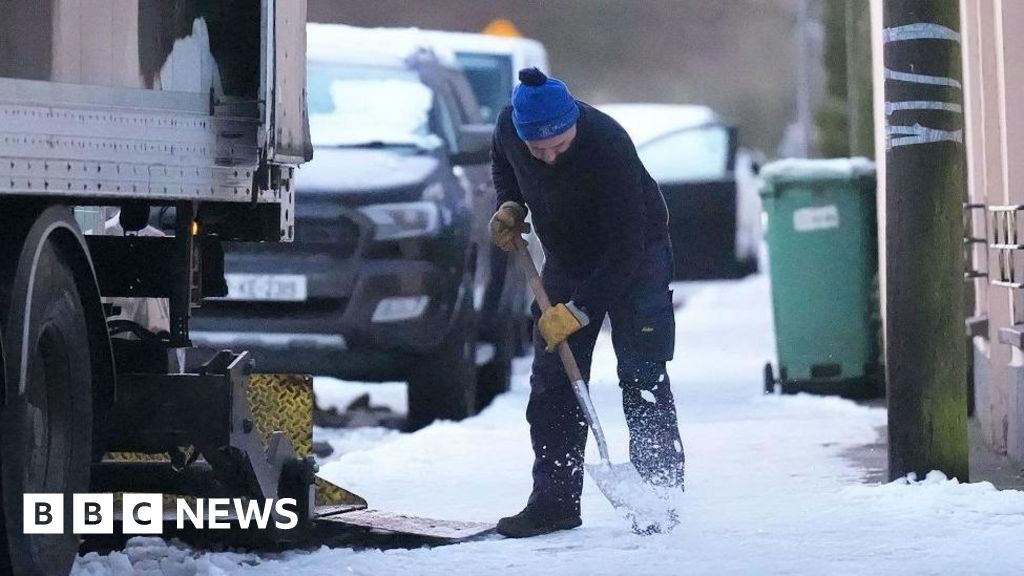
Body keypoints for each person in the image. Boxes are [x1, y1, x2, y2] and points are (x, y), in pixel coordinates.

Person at [489, 68, 685, 538]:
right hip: (567, 255)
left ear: (573, 120)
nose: (550, 158)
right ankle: (554, 502)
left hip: (636, 255)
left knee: (642, 373)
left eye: (559, 145)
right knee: (554, 379)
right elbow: (503, 162)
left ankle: (660, 498)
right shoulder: (508, 129)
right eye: (539, 150)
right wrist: (511, 204)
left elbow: (625, 248)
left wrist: (578, 311)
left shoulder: (608, 144)